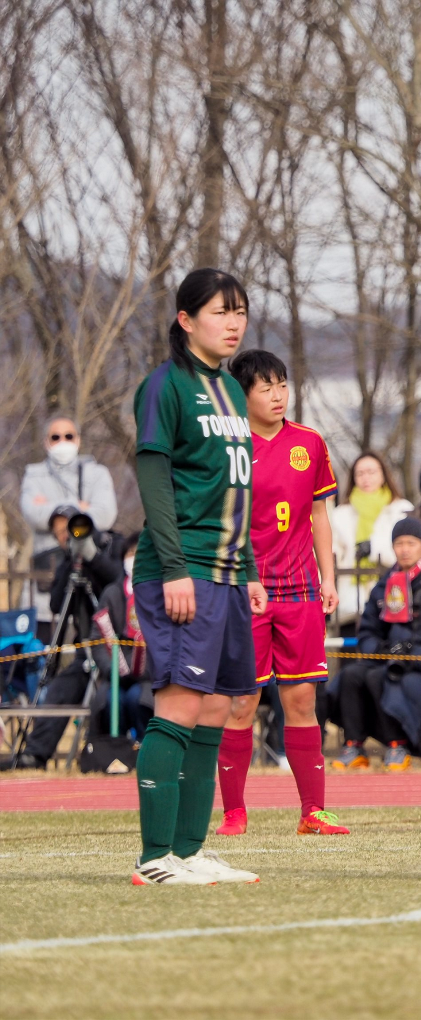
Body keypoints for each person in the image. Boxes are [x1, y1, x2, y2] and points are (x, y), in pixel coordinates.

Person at [128, 268, 266, 886]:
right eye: (220, 311)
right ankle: (154, 857)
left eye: (240, 312)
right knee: (180, 704)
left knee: (217, 707)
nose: (233, 323)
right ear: (186, 320)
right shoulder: (165, 387)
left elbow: (237, 489)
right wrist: (177, 569)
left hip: (229, 574)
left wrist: (251, 569)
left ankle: (189, 850)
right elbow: (155, 480)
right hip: (182, 572)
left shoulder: (234, 393)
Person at [214, 351, 348, 837]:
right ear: (242, 395)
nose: (277, 395)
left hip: (300, 592)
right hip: (244, 591)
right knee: (241, 703)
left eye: (282, 385)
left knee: (301, 701)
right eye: (266, 387)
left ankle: (313, 812)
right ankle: (234, 812)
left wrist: (328, 578)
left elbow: (318, 517)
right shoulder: (229, 445)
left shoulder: (309, 443)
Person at [5, 526, 142, 771]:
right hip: (92, 651)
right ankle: (36, 755)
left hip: (137, 665)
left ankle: (132, 755)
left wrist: (94, 557)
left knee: (129, 698)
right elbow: (57, 603)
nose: (69, 536)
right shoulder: (69, 562)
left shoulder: (111, 550)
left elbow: (114, 577)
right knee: (61, 690)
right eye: (61, 532)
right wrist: (72, 561)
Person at [334, 517, 421, 770]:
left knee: (380, 678)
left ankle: (397, 745)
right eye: (399, 543)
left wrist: (416, 654)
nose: (404, 549)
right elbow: (367, 630)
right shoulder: (386, 583)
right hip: (390, 660)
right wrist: (378, 650)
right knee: (351, 675)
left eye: (411, 543)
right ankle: (354, 745)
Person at [21, 415, 118, 638]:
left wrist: (53, 510)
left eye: (68, 436)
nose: (62, 441)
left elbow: (106, 514)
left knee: (89, 642)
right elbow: (31, 512)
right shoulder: (33, 474)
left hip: (89, 568)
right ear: (46, 442)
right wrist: (80, 507)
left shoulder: (97, 472)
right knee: (46, 642)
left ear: (78, 440)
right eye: (55, 437)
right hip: (50, 572)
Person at [331, 451, 414, 625]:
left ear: (383, 475)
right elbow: (333, 554)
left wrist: (374, 547)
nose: (366, 478)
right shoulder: (340, 514)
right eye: (360, 473)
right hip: (351, 599)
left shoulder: (401, 509)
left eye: (371, 472)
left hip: (393, 596)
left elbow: (410, 552)